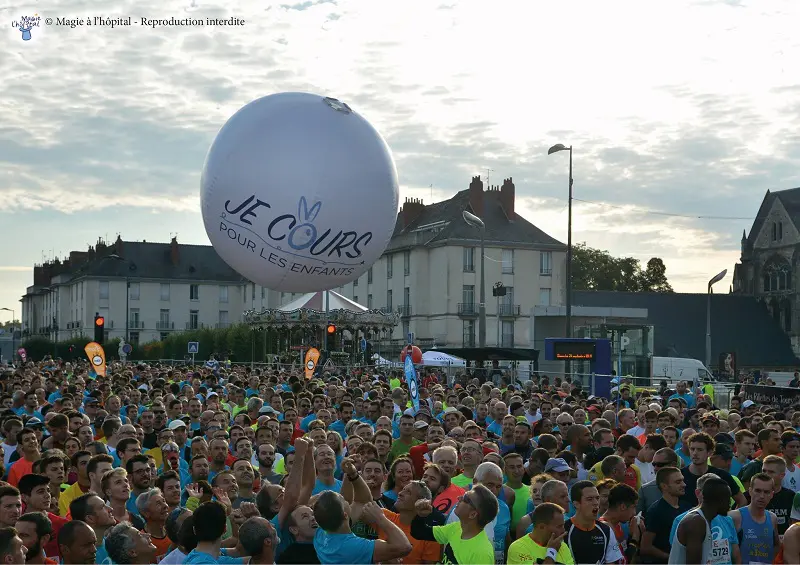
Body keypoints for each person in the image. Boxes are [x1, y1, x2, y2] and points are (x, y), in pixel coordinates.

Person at [313, 492, 412, 564]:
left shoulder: (319, 535)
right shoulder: (354, 547)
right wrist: (380, 517)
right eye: (343, 500)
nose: (348, 501)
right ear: (345, 515)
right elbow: (404, 547)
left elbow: (361, 501)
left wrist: (353, 475)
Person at [411, 485, 497, 565]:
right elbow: (418, 532)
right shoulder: (457, 527)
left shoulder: (482, 553)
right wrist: (421, 516)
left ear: (473, 514)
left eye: (465, 498)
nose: (459, 498)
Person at [668, 476, 732, 564]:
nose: (730, 504)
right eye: (728, 500)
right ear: (719, 500)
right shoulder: (696, 522)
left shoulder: (703, 519)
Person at [564, 480, 622, 564]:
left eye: (597, 498)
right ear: (576, 504)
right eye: (589, 499)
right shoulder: (563, 530)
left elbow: (611, 562)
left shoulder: (606, 531)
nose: (595, 503)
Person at [641, 466, 689, 564]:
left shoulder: (686, 507)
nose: (684, 484)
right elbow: (645, 547)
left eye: (683, 481)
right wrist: (671, 557)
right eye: (678, 482)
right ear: (664, 486)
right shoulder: (655, 511)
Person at [729, 472, 780, 564]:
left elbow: (776, 545)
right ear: (750, 491)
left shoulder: (772, 518)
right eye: (758, 491)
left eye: (766, 492)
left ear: (772, 494)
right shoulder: (735, 517)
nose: (762, 496)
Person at [507, 502, 574, 565]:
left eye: (563, 525)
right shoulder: (518, 548)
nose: (563, 530)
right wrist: (552, 552)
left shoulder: (562, 546)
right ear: (542, 527)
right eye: (559, 526)